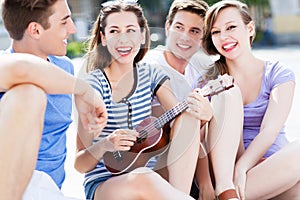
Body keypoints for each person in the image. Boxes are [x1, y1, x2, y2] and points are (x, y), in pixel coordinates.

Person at [74, 1, 213, 199]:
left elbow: (180, 122)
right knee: (143, 177)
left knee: (187, 116)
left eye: (131, 30)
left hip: (152, 177)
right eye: (114, 31)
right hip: (106, 185)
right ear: (103, 38)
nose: (123, 39)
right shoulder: (93, 86)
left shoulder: (152, 74)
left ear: (142, 36)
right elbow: (79, 164)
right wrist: (105, 144)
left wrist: (203, 116)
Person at [0, 0, 107, 199]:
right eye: (64, 22)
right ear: (35, 30)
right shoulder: (3, 65)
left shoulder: (64, 68)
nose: (73, 28)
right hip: (9, 185)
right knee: (30, 94)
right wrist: (84, 90)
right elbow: (23, 69)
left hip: (48, 191)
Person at [143, 1, 243, 199]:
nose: (184, 37)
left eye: (195, 31)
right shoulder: (151, 66)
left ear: (203, 37)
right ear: (167, 27)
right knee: (193, 117)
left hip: (195, 164)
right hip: (157, 165)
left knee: (229, 96)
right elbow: (177, 131)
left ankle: (227, 186)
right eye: (179, 27)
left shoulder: (200, 68)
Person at [200, 0, 300, 199]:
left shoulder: (278, 73)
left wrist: (242, 169)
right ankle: (227, 193)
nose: (224, 37)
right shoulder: (207, 81)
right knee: (230, 93)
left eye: (231, 27)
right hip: (225, 174)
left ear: (250, 28)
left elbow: (269, 130)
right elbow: (198, 139)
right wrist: (207, 184)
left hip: (269, 167)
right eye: (216, 32)